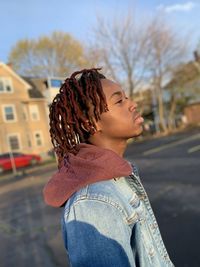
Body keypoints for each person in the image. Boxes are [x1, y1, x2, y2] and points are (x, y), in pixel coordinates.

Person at [43, 68, 174, 267]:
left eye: (127, 97)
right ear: (91, 123)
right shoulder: (93, 203)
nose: (133, 104)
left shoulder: (115, 174)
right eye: (119, 101)